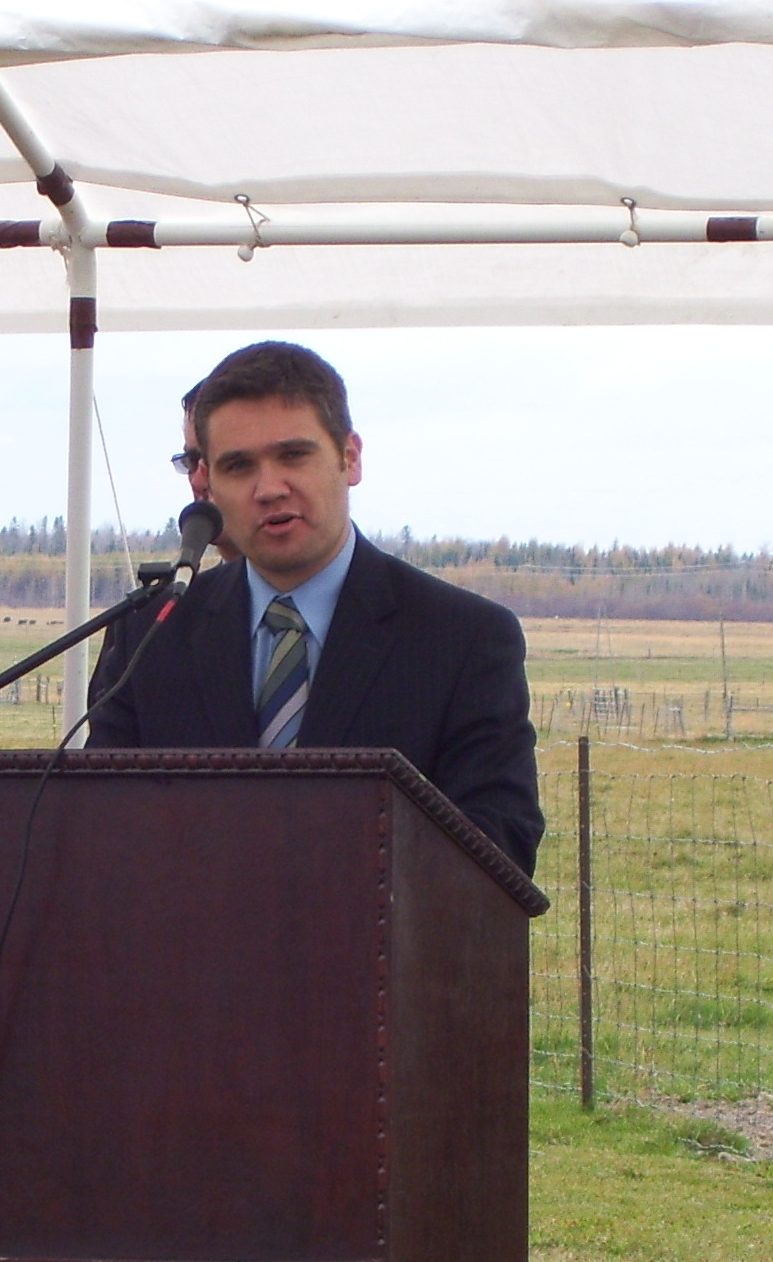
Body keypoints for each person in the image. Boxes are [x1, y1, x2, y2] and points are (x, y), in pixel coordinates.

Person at [88, 342, 545, 873]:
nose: (269, 488)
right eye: (239, 467)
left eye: (293, 456)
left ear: (349, 458)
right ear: (208, 484)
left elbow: (501, 843)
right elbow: (100, 829)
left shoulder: (463, 639)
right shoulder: (151, 634)